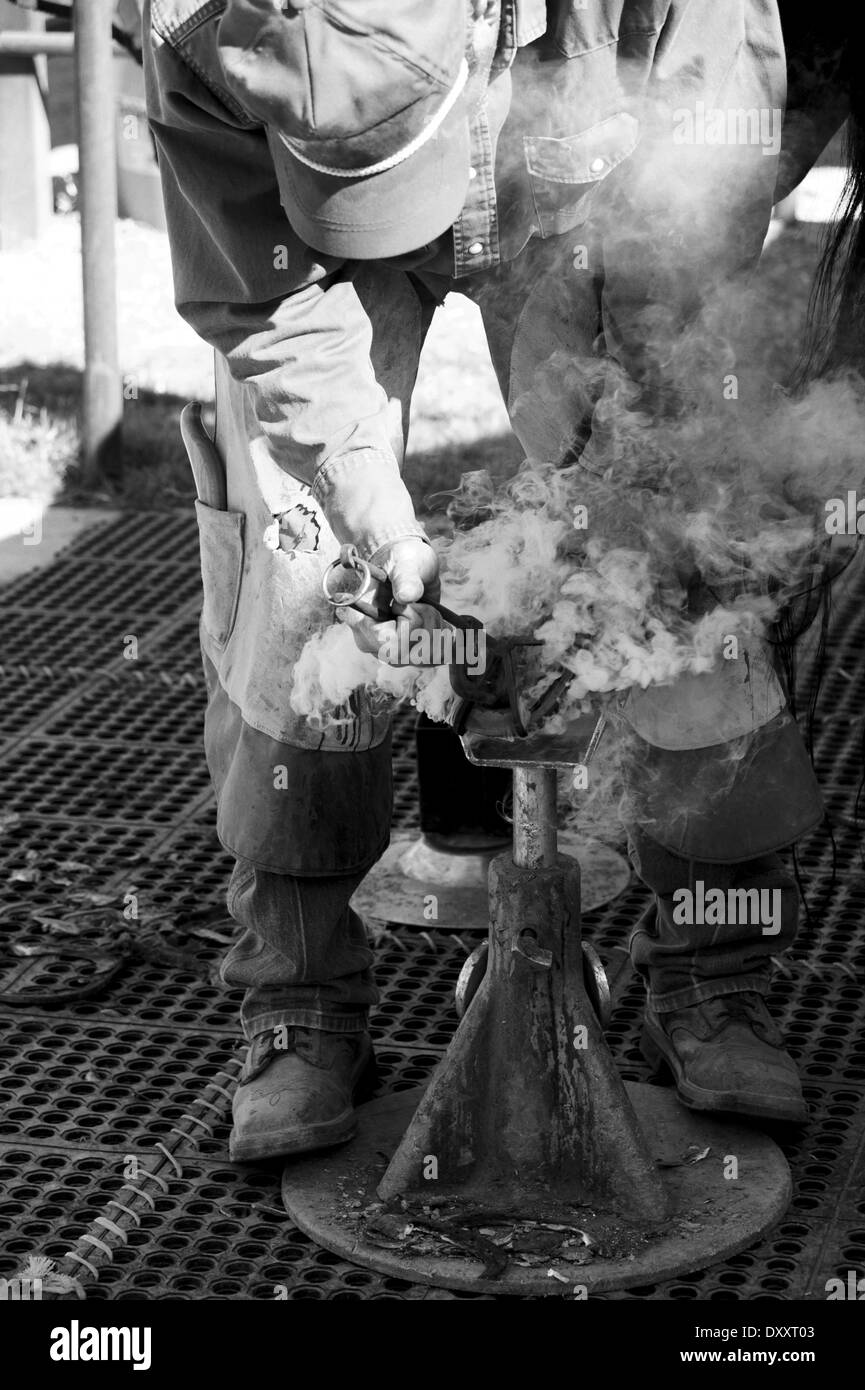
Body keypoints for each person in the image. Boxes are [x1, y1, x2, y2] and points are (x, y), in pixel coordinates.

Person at [144, 0, 848, 1162]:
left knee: (663, 527)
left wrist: (629, 397)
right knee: (302, 544)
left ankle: (715, 971)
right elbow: (260, 293)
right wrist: (375, 512)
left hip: (591, 197)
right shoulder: (199, 29)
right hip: (308, 258)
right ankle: (299, 997)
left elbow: (703, 186)